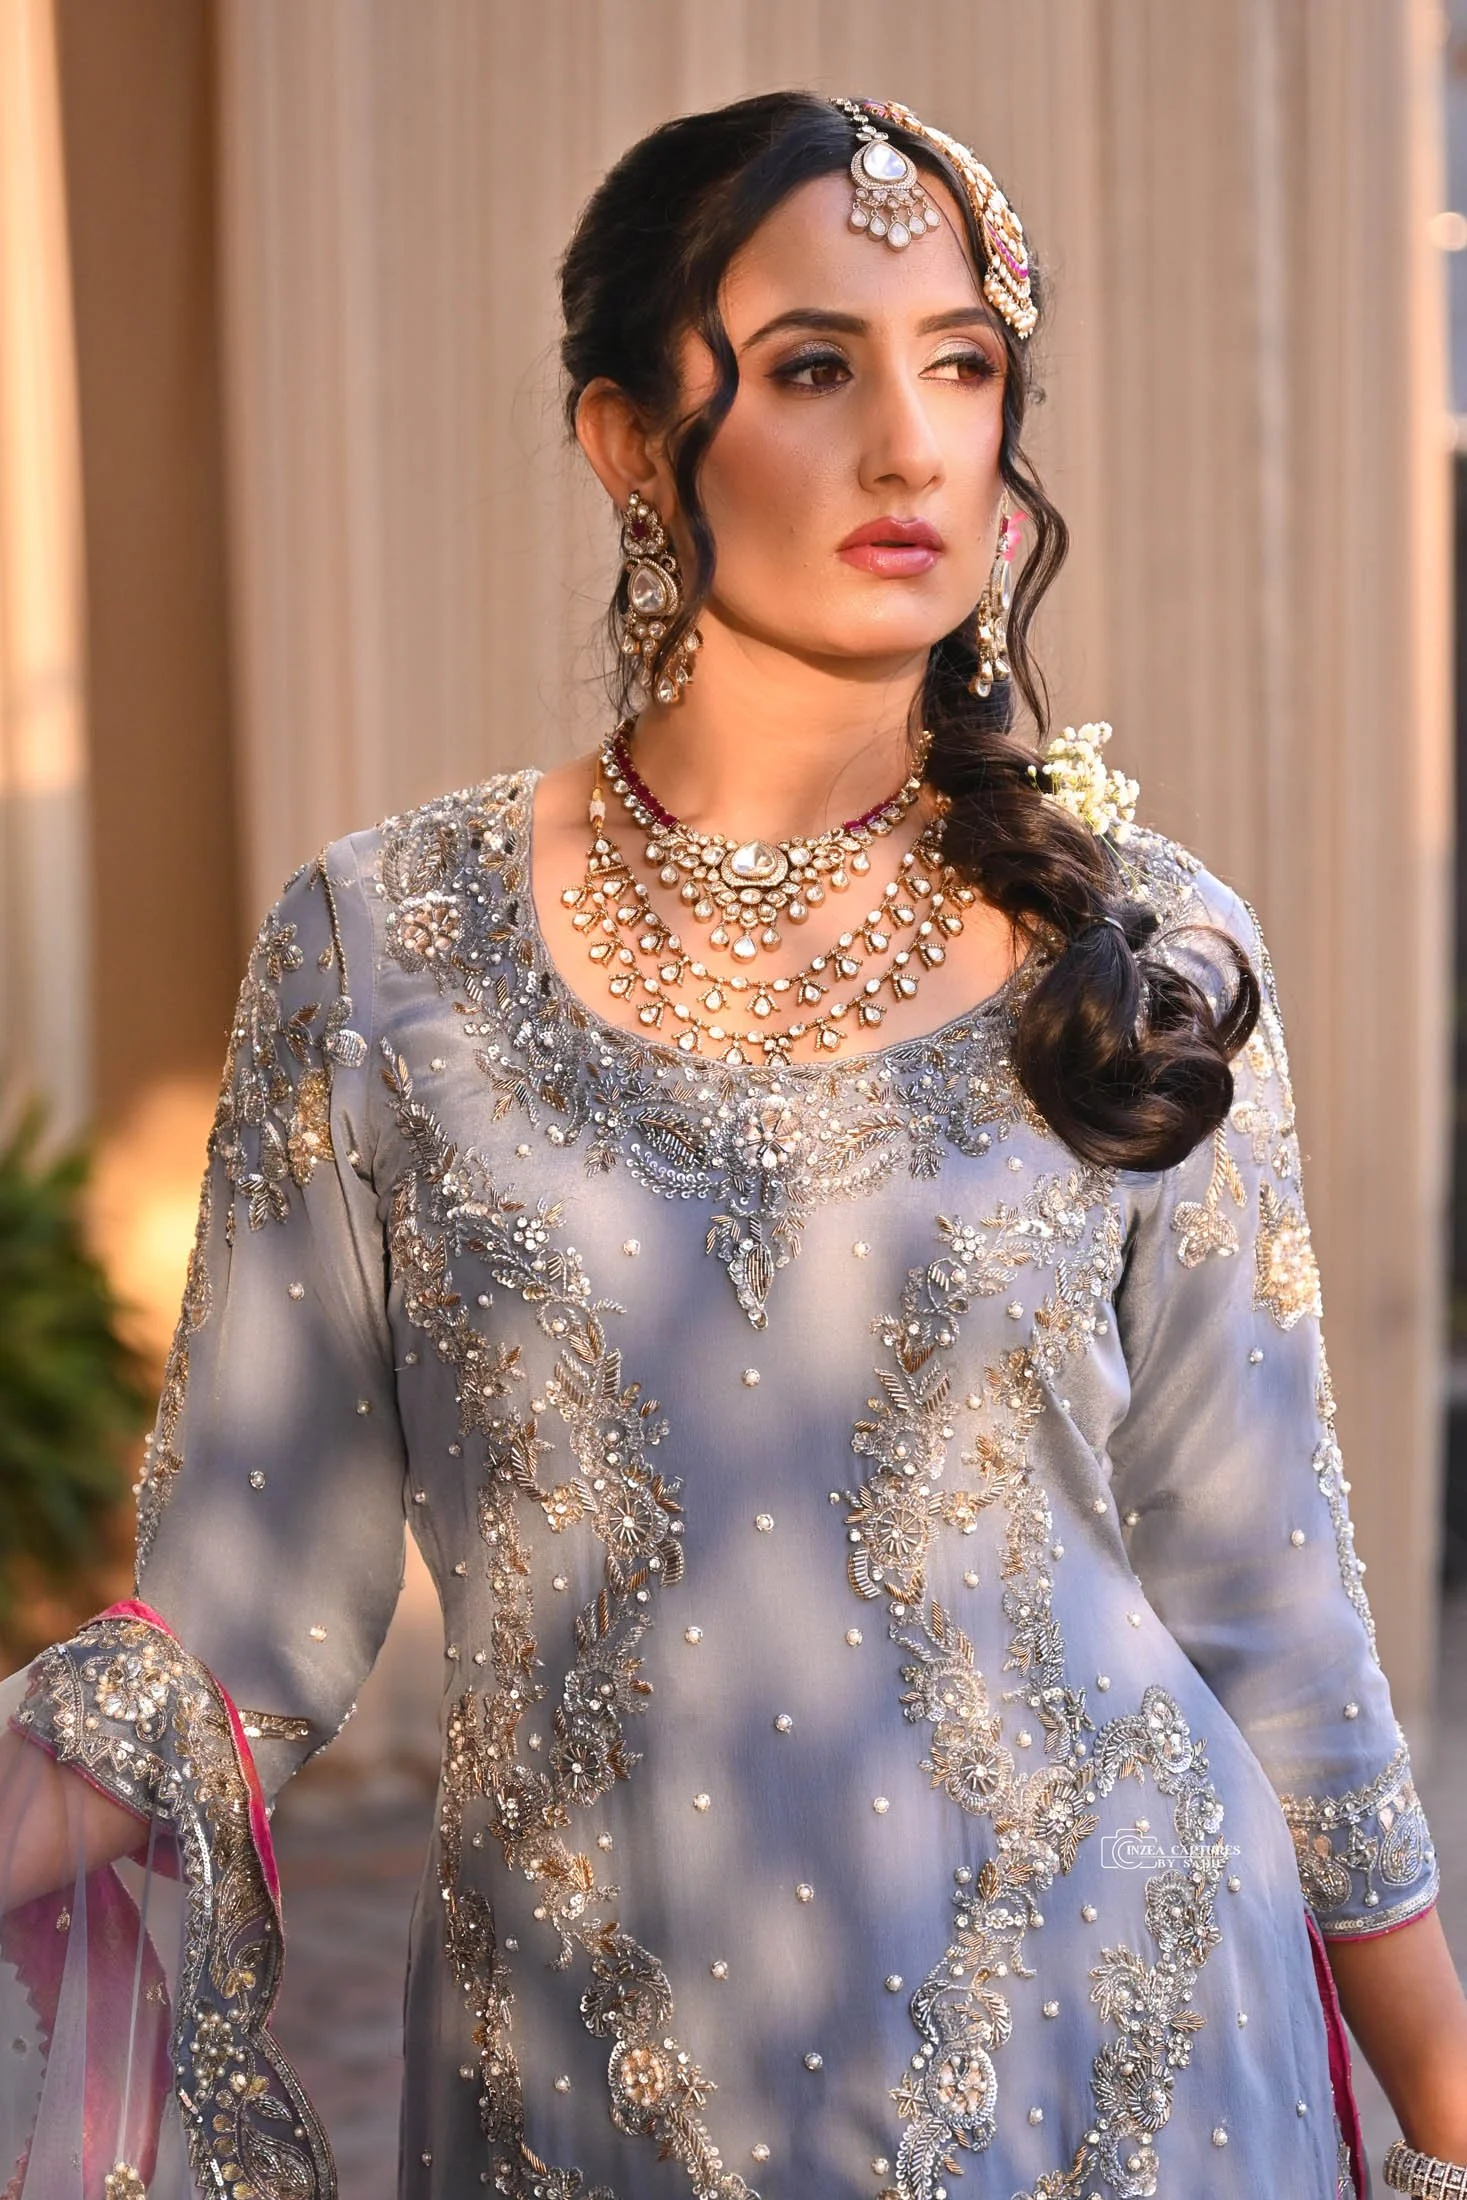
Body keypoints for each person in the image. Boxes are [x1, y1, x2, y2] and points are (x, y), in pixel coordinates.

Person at [0, 85, 1462, 2200]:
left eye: (962, 364)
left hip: (1121, 2053)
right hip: (597, 2077)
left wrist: (1443, 2102)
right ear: (625, 439)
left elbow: (1271, 1596)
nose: (913, 444)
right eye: (811, 369)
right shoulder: (382, 951)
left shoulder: (1140, 953)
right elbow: (237, 1610)